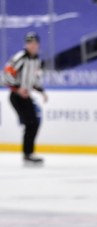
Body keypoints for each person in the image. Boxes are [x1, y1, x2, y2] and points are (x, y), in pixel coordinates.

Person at [3, 31, 47, 165]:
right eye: (29, 43)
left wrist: (41, 91)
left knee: (33, 123)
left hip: (25, 96)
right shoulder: (20, 57)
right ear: (25, 44)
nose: (32, 46)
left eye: (34, 43)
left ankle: (28, 153)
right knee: (31, 123)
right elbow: (7, 73)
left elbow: (32, 79)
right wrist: (17, 88)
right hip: (16, 96)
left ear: (38, 45)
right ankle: (28, 154)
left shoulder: (37, 60)